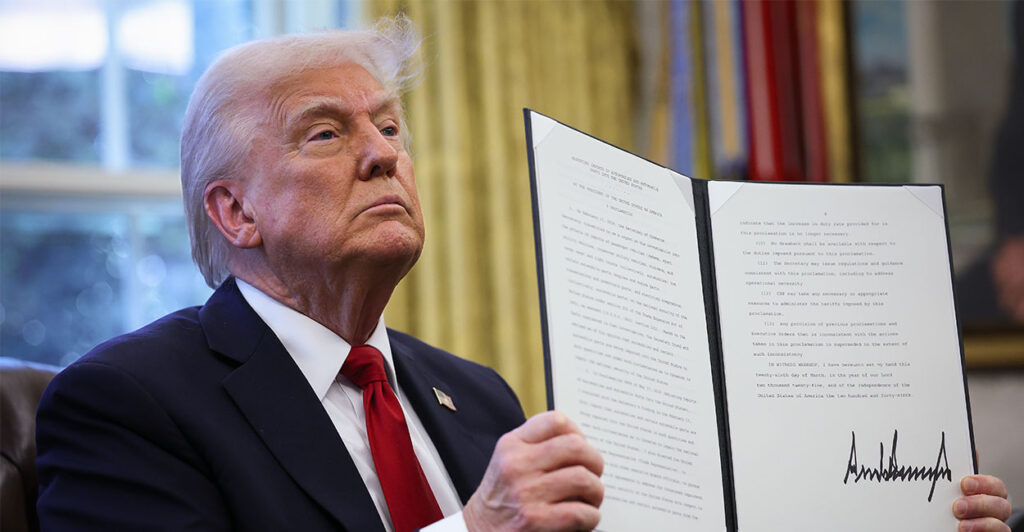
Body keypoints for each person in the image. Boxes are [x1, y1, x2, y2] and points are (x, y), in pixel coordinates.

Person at [35, 17, 1010, 532]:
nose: (382, 155)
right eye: (325, 133)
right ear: (232, 211)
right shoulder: (126, 403)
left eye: (388, 127)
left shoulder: (475, 394)